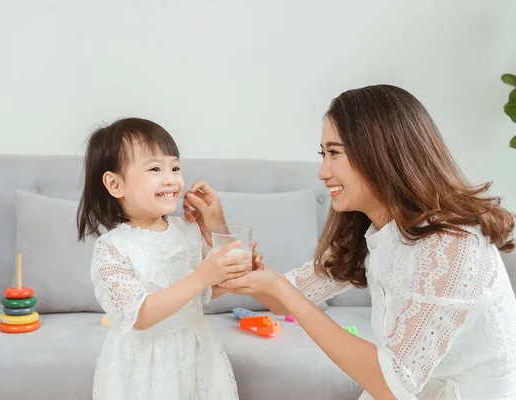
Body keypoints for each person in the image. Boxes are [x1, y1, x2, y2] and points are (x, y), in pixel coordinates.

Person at [184, 85, 516, 400]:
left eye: (334, 153)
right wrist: (220, 230)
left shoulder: (452, 245)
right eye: (322, 153)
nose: (322, 172)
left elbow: (392, 384)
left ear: (379, 152)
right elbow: (284, 300)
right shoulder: (377, 231)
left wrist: (281, 290)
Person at [77, 117, 251, 400]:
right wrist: (201, 277)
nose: (171, 179)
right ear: (115, 184)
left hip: (196, 351)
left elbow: (227, 278)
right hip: (146, 365)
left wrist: (215, 226)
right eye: (156, 169)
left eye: (175, 167)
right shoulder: (113, 248)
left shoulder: (186, 230)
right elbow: (141, 315)